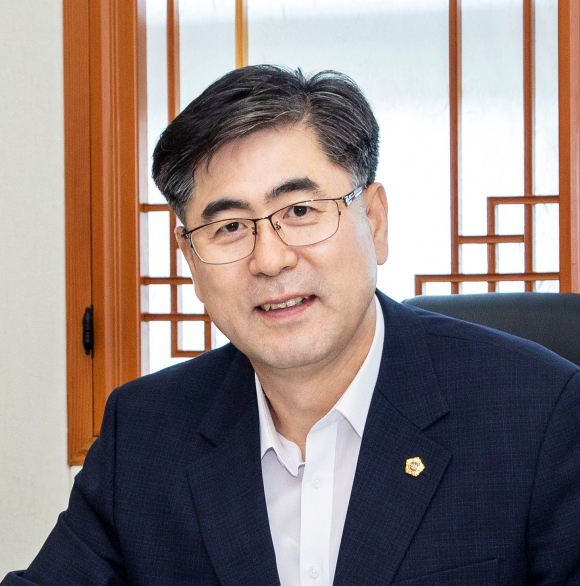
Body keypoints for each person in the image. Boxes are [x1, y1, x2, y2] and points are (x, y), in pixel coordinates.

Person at [2, 65, 580, 586]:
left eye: (300, 211)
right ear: (191, 262)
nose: (270, 259)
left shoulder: (539, 414)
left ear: (374, 221)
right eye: (229, 226)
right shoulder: (144, 434)